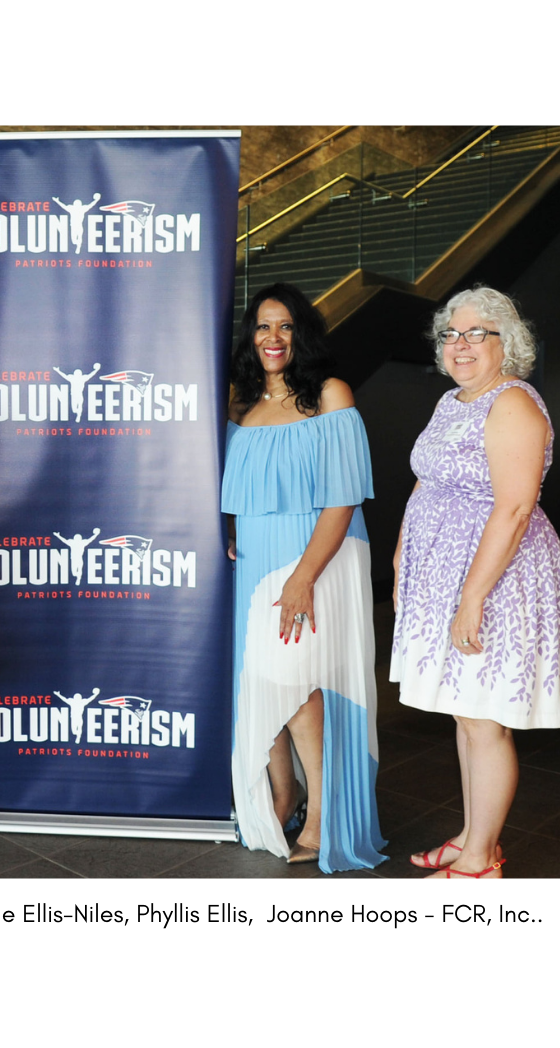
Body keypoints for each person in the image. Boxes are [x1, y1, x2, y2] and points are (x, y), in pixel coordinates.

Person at [391, 286, 560, 879]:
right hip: (443, 574)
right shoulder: (453, 401)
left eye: (478, 333)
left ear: (509, 343)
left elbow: (516, 508)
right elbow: (427, 478)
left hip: (497, 577)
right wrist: (402, 556)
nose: (461, 344)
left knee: (484, 717)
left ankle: (479, 863)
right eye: (452, 334)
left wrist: (472, 597)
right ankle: (474, 835)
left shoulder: (513, 404)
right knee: (463, 711)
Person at [222, 282, 386, 873]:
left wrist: (303, 577)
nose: (273, 338)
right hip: (259, 561)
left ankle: (321, 812)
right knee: (267, 678)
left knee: (300, 681)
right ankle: (283, 796)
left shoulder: (329, 396)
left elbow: (341, 500)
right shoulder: (242, 407)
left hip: (315, 557)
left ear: (303, 334)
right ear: (250, 337)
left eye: (285, 326)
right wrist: (239, 535)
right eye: (263, 327)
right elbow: (246, 490)